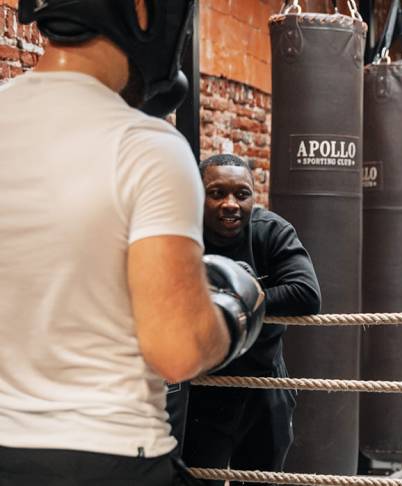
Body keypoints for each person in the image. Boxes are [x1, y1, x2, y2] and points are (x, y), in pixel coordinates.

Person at [0, 1, 266, 485]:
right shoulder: (145, 146)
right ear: (144, 11)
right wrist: (233, 316)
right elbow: (177, 350)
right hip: (107, 453)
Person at [174, 154, 321, 486]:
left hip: (263, 383)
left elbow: (307, 293)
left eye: (241, 194)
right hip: (204, 385)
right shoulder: (183, 236)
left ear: (254, 196)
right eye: (217, 193)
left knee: (260, 480)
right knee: (198, 478)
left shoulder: (270, 230)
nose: (230, 204)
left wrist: (237, 299)